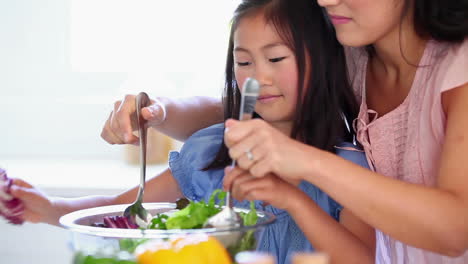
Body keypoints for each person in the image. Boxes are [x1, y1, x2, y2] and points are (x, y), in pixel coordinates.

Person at [7, 1, 374, 264]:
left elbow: (363, 258)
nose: (257, 77)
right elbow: (125, 210)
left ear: (324, 59)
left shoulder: (348, 169)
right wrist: (53, 208)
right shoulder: (211, 152)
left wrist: (294, 201)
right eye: (243, 61)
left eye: (276, 58)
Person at [101, 0, 468, 263]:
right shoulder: (354, 52)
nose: (325, 1)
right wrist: (159, 112)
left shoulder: (456, 67)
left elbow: (454, 232)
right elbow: (248, 103)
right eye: (243, 61)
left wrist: (301, 164)